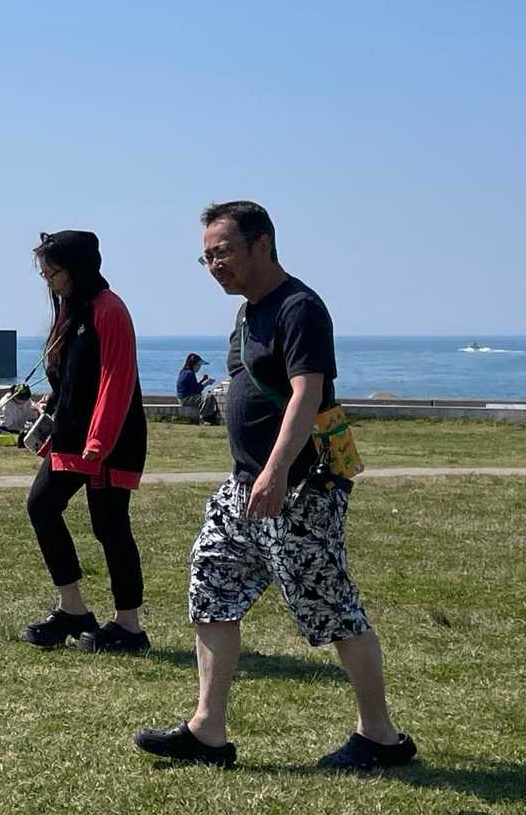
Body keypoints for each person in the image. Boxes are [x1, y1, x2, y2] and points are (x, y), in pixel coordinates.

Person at [134, 201, 416, 771]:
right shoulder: (246, 315)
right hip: (244, 487)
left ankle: (381, 737)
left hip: (300, 487)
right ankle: (207, 730)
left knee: (330, 607)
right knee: (211, 585)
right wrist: (255, 475)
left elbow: (307, 393)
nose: (215, 265)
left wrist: (277, 470)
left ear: (262, 243)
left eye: (223, 252)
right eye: (206, 257)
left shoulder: (300, 308)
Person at [23, 230, 150, 654]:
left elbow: (116, 379)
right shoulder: (71, 311)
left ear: (77, 268)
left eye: (54, 273)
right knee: (41, 506)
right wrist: (54, 400)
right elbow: (76, 374)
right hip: (73, 435)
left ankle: (129, 627)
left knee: (109, 525)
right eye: (44, 274)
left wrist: (98, 442)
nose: (49, 281)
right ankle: (73, 609)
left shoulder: (110, 310)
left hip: (109, 439)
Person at [176, 352, 220, 425]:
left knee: (209, 397)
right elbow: (196, 390)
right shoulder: (189, 374)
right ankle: (204, 418)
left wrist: (203, 380)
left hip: (183, 398)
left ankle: (210, 419)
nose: (200, 367)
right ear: (194, 365)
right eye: (199, 365)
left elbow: (194, 387)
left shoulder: (184, 372)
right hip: (185, 399)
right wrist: (207, 383)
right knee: (208, 397)